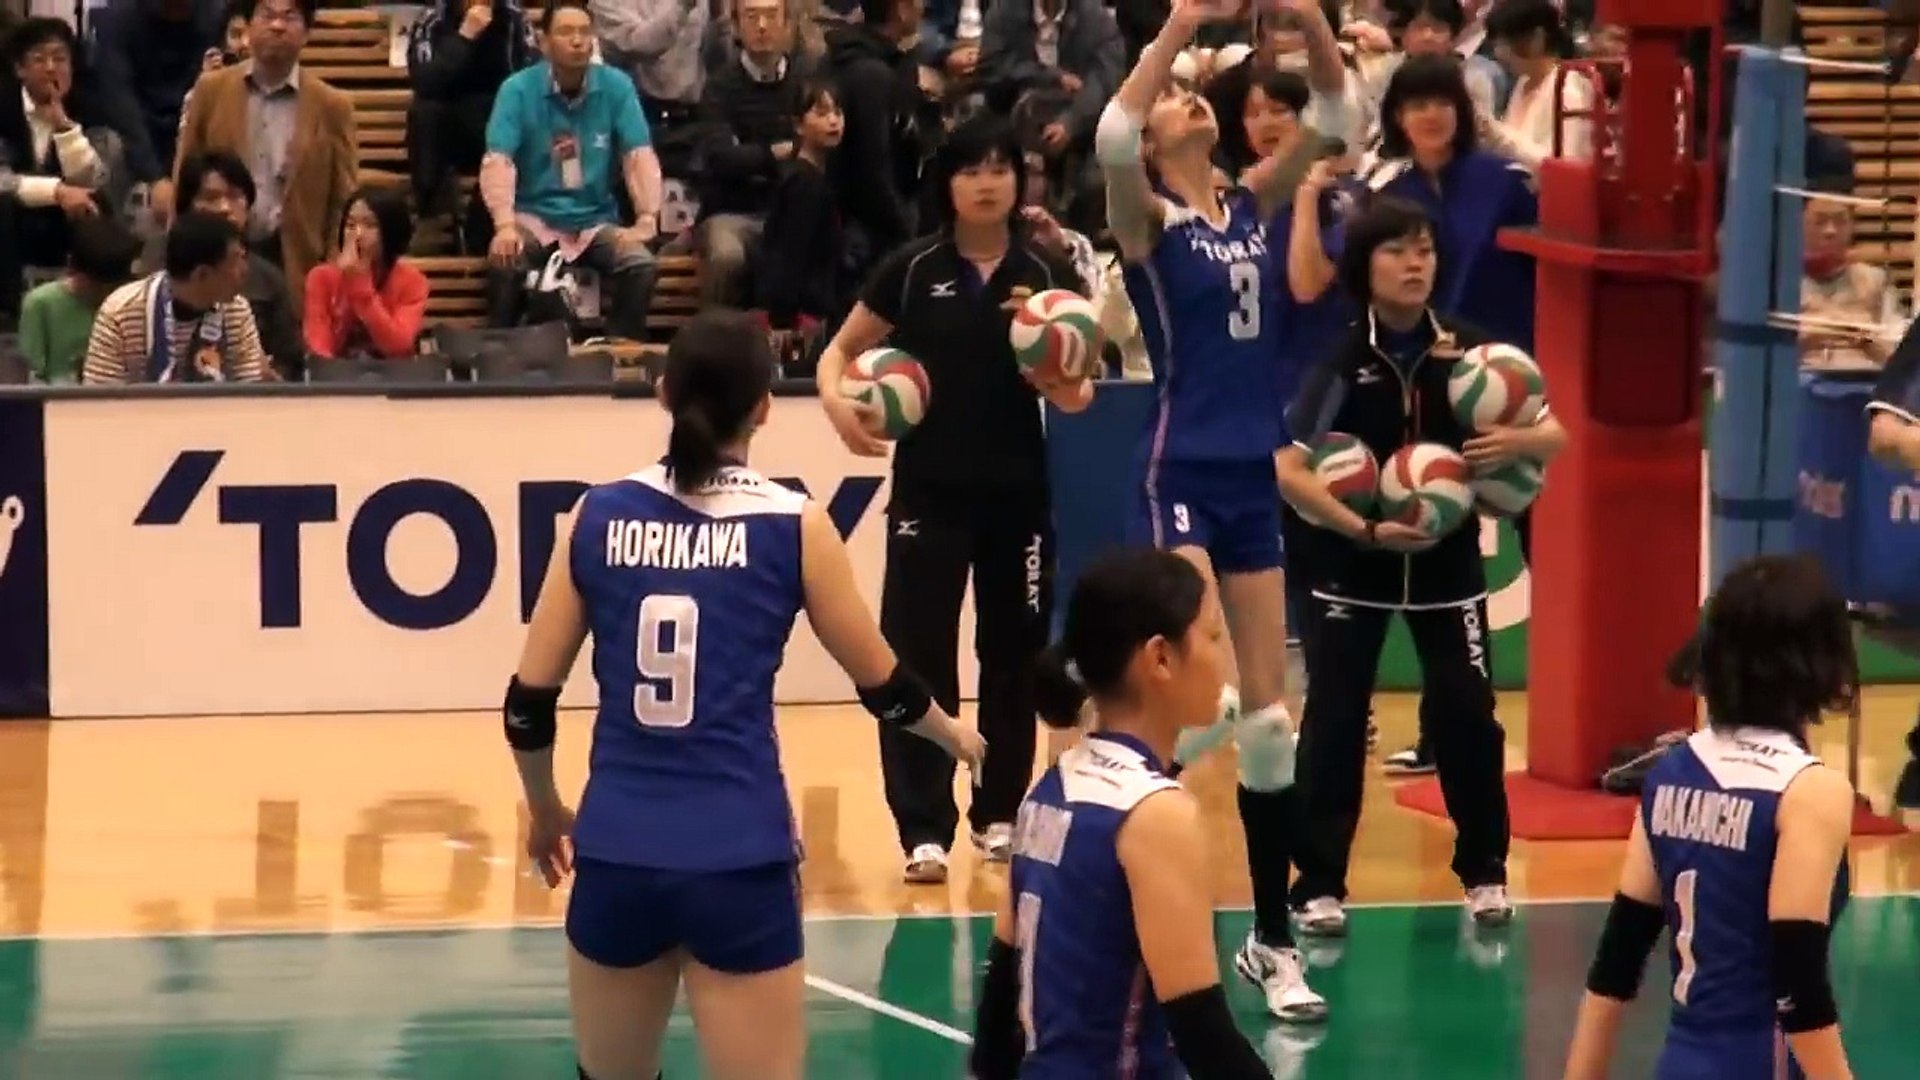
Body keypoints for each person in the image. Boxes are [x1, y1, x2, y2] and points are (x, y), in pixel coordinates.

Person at [505, 308, 984, 1080]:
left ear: (663, 395)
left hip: (618, 853)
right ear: (764, 408)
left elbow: (528, 705)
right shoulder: (795, 525)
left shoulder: (596, 515)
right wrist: (951, 735)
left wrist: (546, 809)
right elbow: (885, 688)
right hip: (739, 857)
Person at [1094, 0, 1349, 1021]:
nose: (1191, 102)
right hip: (1180, 469)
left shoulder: (1250, 202)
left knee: (1272, 725)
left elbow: (1335, 114)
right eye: (1175, 101)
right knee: (1204, 692)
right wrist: (1178, 27)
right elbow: (1113, 133)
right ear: (1159, 141)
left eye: (1196, 93)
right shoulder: (1147, 221)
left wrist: (1315, 22)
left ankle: (1270, 942)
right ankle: (1107, 804)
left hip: (1252, 470)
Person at [814, 114, 1091, 884]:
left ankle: (999, 813)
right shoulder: (911, 269)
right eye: (971, 169)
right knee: (916, 655)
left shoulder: (1044, 273)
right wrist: (838, 405)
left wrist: (1058, 379)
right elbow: (839, 352)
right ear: (947, 183)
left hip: (1018, 497)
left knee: (1014, 657)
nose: (987, 182)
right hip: (927, 496)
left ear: (1019, 181)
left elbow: (1081, 393)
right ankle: (923, 828)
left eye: (1001, 167)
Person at [1275, 197, 1564, 933]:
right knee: (1336, 720)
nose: (1414, 264)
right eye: (1397, 251)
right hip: (1352, 564)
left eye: (1425, 251)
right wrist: (1363, 528)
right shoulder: (1342, 360)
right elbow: (1289, 468)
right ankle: (1317, 885)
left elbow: (1554, 432)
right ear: (1364, 266)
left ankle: (1485, 872)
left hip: (1447, 567)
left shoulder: (1473, 355)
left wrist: (1517, 445)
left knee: (1468, 715)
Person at [967, 548, 1276, 1079]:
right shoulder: (1157, 814)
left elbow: (998, 1009)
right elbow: (1202, 1030)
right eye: (1212, 637)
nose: (1223, 660)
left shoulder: (1048, 789)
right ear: (1160, 659)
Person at [1562, 554, 1857, 1080]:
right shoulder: (1811, 791)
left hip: (1681, 1063)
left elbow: (1616, 963)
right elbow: (1797, 986)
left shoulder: (1670, 772)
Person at [80, 211, 268, 383]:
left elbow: (250, 392)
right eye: (236, 260)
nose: (245, 270)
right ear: (202, 274)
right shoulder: (119, 312)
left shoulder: (237, 311)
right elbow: (100, 398)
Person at [303, 187, 432, 361]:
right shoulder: (320, 278)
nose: (358, 234)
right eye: (350, 225)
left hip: (393, 374)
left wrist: (360, 284)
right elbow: (318, 349)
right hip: (336, 375)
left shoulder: (413, 282)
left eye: (370, 225)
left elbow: (398, 346)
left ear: (391, 230)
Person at [18, 216, 142, 383]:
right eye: (96, 286)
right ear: (72, 267)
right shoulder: (40, 304)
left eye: (113, 288)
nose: (105, 295)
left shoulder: (131, 303)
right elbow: (33, 377)